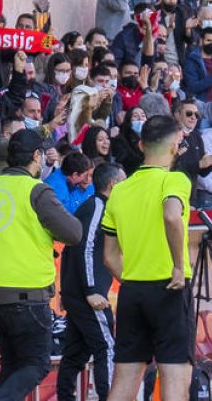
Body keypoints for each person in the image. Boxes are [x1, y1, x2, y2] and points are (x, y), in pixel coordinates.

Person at [0, 129, 82, 401]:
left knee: (13, 363)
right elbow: (73, 233)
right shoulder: (36, 190)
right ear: (37, 156)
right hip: (28, 294)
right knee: (36, 365)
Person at [102, 116, 194, 401]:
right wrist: (177, 267)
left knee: (124, 380)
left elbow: (109, 255)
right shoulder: (174, 179)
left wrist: (130, 279)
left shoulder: (120, 190)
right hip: (169, 286)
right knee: (175, 377)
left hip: (132, 289)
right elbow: (170, 214)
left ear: (141, 145)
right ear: (176, 144)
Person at [58, 163, 126, 401]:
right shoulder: (97, 207)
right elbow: (84, 249)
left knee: (75, 353)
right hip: (89, 295)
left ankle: (66, 397)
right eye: (124, 181)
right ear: (113, 185)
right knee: (106, 347)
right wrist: (90, 291)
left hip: (77, 293)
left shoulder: (99, 207)